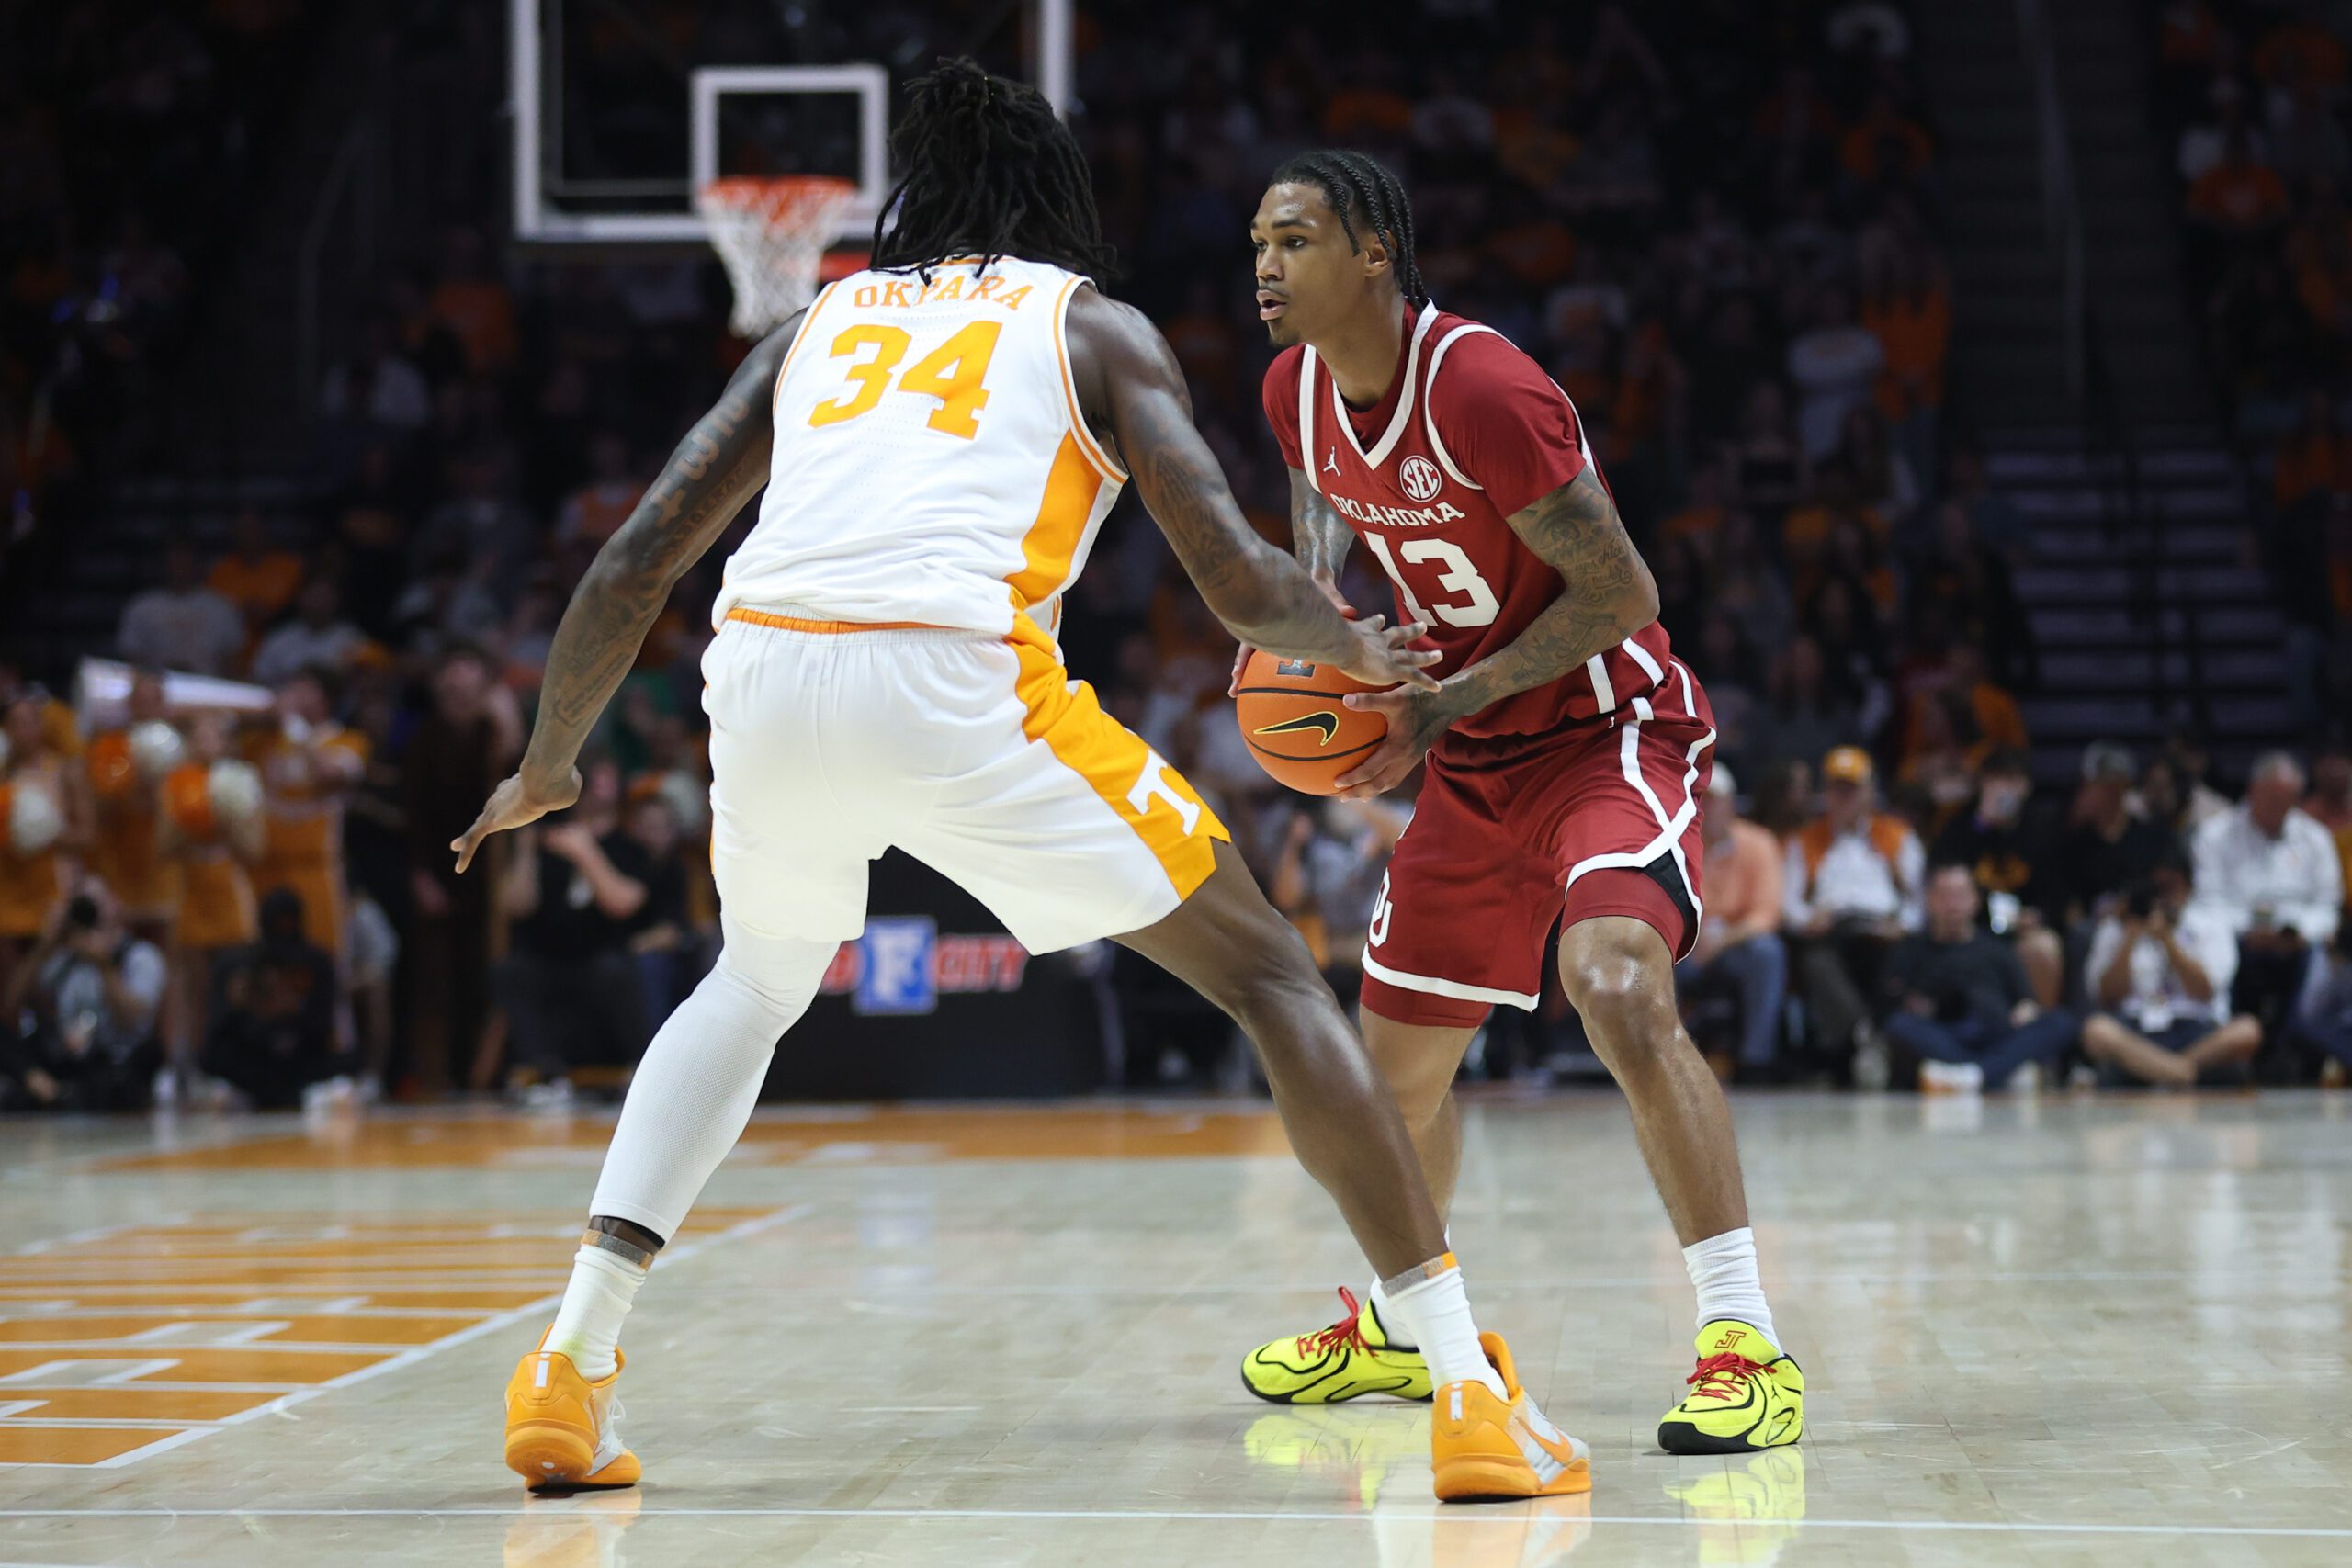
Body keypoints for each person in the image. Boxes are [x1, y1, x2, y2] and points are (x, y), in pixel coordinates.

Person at [456, 62, 1582, 1505]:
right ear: (1061, 213)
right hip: (955, 677)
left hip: (764, 671)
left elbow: (637, 559)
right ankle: (1468, 1391)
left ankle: (567, 1364)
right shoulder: (1092, 327)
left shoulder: (820, 320)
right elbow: (1239, 580)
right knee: (1274, 981)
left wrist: (551, 761)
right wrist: (1345, 636)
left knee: (748, 986)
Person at [1232, 149, 1801, 1455]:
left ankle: (1743, 1337)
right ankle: (1398, 1325)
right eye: (1259, 242)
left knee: (1613, 982)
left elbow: (1624, 594)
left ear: (1373, 249)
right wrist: (1331, 651)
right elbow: (1322, 518)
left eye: (1295, 239)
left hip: (1607, 733)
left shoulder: (1483, 386)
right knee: (1377, 1095)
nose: (1265, 265)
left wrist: (1444, 698)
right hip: (1472, 757)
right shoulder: (1292, 390)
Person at [491, 758, 654, 1095]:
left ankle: (640, 1069)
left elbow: (622, 903)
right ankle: (543, 1075)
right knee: (512, 972)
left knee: (617, 972)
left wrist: (585, 853)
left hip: (601, 957)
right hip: (548, 957)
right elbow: (515, 904)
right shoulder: (546, 840)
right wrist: (524, 845)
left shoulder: (630, 848)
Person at [1783, 746, 1924, 1082]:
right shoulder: (1804, 841)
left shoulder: (1898, 836)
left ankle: (1881, 1042)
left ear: (1871, 792)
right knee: (1815, 961)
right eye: (1837, 788)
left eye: (1852, 788)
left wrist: (1901, 925)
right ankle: (1865, 1034)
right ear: (1825, 793)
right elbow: (1788, 903)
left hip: (1884, 930)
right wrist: (1808, 919)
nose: (1844, 797)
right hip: (1832, 929)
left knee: (1903, 959)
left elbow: (1918, 902)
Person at [2187, 750, 2343, 1042]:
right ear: (2253, 790)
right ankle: (2223, 1037)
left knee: (2323, 959)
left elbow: (2328, 905)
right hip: (2235, 935)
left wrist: (2300, 932)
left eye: (2287, 800)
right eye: (2272, 798)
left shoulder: (2316, 838)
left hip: (2299, 942)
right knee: (2212, 945)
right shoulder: (2214, 834)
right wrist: (2250, 930)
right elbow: (2208, 901)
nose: (2279, 807)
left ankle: (2298, 1044)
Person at [1883, 864, 2078, 1091]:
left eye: (1960, 895)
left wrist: (2024, 1011)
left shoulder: (1997, 948)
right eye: (1945, 896)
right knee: (1900, 1025)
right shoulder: (1910, 948)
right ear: (1929, 899)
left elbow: (2026, 1001)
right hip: (1944, 1035)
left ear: (1975, 900)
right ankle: (1994, 1072)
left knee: (2061, 1021)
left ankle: (1972, 1074)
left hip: (1997, 1032)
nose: (1953, 905)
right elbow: (1892, 1002)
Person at [2081, 853, 2261, 1087]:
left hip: (2194, 1028)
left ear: (2188, 887)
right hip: (2137, 1029)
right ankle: (2182, 1074)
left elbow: (2204, 991)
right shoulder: (2117, 928)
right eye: (2158, 887)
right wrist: (2130, 939)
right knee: (2096, 1030)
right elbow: (2107, 996)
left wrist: (2167, 941)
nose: (2164, 896)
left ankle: (2161, 1072)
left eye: (2171, 887)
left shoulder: (2210, 924)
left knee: (2247, 1030)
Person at [0, 880, 166, 1111]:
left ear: (116, 905)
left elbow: (133, 1022)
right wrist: (43, 947)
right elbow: (11, 1008)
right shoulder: (65, 959)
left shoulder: (141, 956)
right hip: (67, 1063)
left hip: (117, 1067)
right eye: (83, 904)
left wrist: (104, 966)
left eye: (97, 902)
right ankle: (41, 1086)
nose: (91, 912)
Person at [1674, 766, 1787, 1080]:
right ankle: (1661, 1062)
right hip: (1686, 947)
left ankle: (1756, 1061)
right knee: (1652, 955)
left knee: (1768, 952)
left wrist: (1722, 941)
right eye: (1700, 800)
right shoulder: (1677, 844)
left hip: (1736, 947)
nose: (1707, 809)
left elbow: (1767, 913)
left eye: (1714, 800)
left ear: (1731, 804)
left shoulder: (1759, 843)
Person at [249, 667, 369, 960]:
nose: (294, 695)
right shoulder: (266, 739)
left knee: (322, 957)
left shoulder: (349, 741)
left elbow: (327, 773)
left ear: (326, 698)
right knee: (262, 961)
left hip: (315, 870)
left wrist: (292, 722)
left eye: (305, 688)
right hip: (264, 868)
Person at [198, 886, 345, 1111]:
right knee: (215, 1058)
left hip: (298, 1056)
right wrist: (241, 1004)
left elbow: (322, 1028)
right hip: (252, 1058)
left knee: (345, 1061)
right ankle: (239, 1093)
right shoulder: (235, 963)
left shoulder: (316, 961)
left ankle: (310, 1090)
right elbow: (216, 1032)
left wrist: (290, 1006)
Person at [116, 543, 246, 676]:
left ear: (197, 565)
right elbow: (132, 661)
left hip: (208, 689)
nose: (180, 569)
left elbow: (232, 664)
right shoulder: (141, 607)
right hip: (156, 690)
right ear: (164, 565)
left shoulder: (222, 607)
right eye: (175, 563)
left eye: (185, 563)